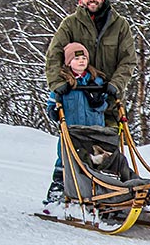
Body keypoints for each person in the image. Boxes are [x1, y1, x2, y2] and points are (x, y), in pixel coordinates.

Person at [45, 0, 137, 129]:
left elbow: (128, 59)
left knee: (108, 144)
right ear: (80, 0)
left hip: (109, 99)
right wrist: (57, 83)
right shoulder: (70, 24)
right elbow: (53, 55)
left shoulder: (120, 25)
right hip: (77, 99)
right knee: (77, 145)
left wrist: (116, 84)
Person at [44, 43, 108, 202]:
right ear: (68, 62)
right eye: (76, 58)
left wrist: (99, 102)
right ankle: (57, 191)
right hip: (71, 131)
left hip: (94, 130)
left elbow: (106, 104)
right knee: (65, 158)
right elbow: (51, 105)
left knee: (94, 159)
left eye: (84, 58)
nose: (81, 61)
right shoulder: (61, 83)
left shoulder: (96, 81)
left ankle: (96, 192)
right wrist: (54, 112)